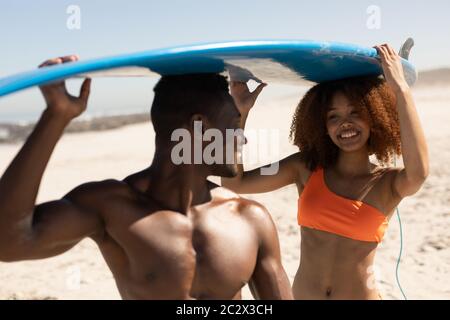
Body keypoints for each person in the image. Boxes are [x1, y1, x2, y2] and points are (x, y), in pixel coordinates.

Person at [0, 55, 292, 300]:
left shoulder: (250, 218)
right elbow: (10, 243)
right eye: (233, 125)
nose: (243, 140)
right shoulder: (112, 208)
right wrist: (56, 116)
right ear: (200, 128)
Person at [222, 44, 429, 299]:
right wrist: (238, 115)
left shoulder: (388, 183)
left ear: (374, 117)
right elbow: (235, 183)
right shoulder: (305, 168)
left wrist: (401, 90)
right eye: (333, 117)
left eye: (356, 113)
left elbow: (419, 173)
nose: (345, 123)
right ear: (322, 125)